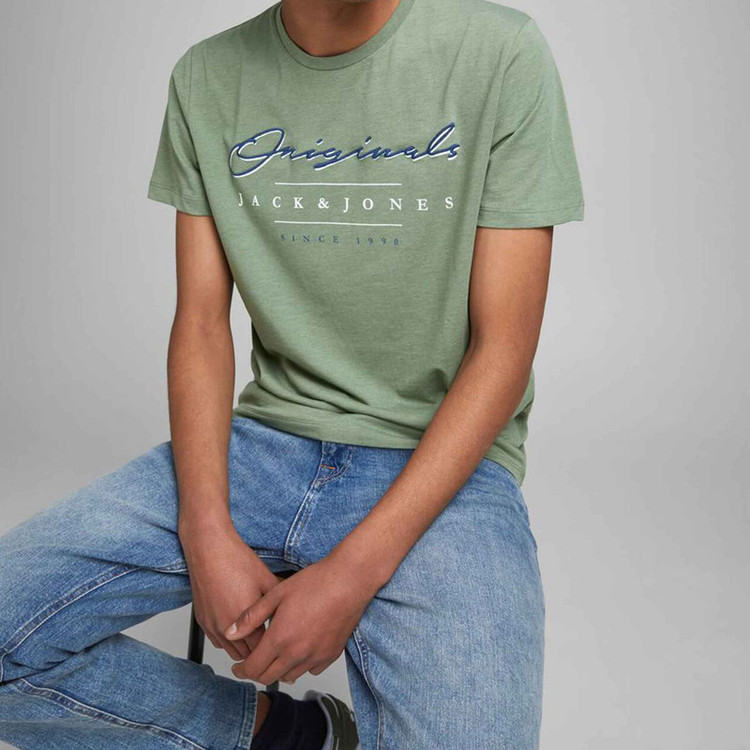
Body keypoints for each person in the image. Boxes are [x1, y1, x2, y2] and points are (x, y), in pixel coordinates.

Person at [0, 0, 584, 747]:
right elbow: (201, 324)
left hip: (444, 464)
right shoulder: (207, 76)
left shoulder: (501, 53)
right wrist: (206, 527)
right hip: (266, 447)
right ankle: (285, 738)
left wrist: (352, 574)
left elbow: (503, 348)